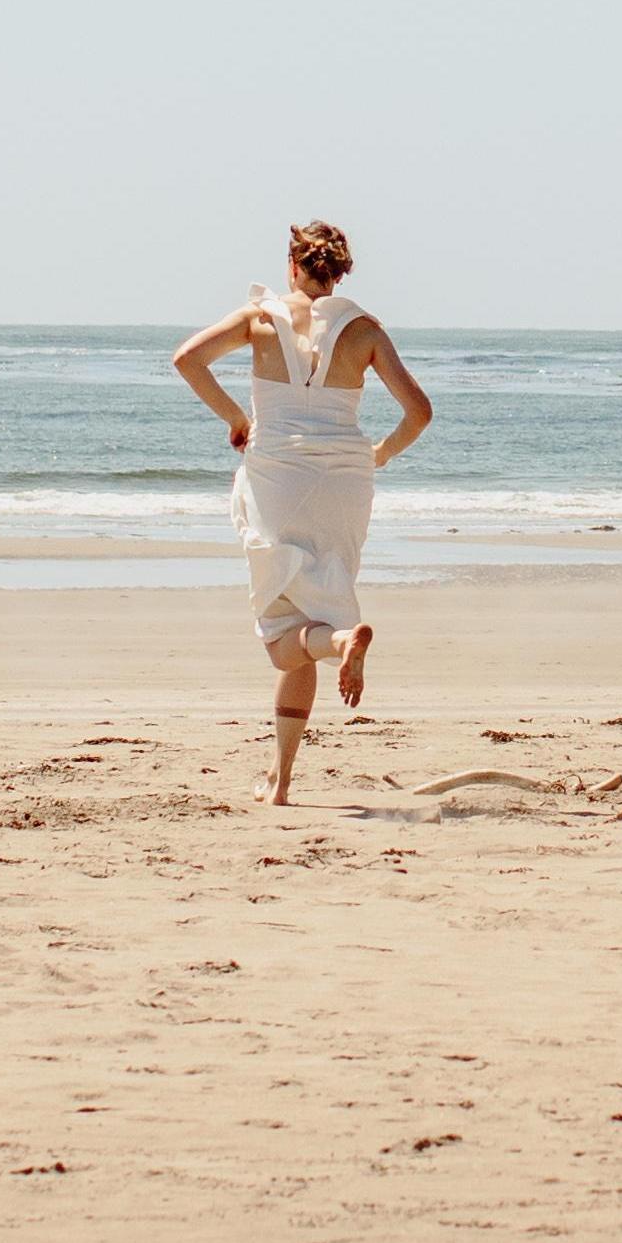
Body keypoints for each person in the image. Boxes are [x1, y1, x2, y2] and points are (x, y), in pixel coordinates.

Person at [168, 221, 433, 806]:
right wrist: (380, 454)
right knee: (313, 612)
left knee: (281, 635)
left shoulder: (259, 318)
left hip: (279, 476)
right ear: (340, 273)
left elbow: (188, 360)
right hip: (345, 481)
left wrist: (237, 420)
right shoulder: (365, 330)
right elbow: (419, 412)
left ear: (292, 266)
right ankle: (282, 779)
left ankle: (339, 644)